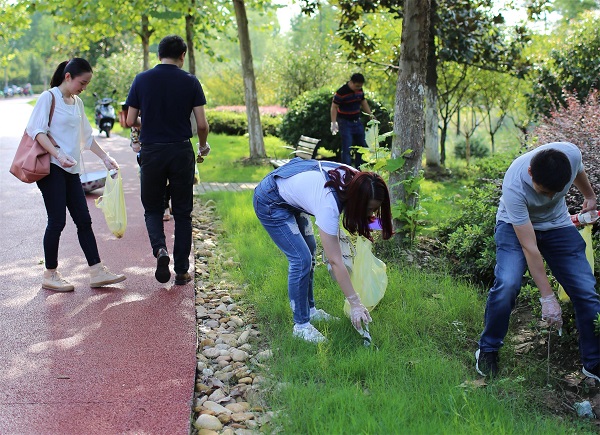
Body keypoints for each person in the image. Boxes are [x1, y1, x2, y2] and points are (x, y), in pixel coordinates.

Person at [475, 142, 600, 382]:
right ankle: (488, 348)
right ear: (531, 173)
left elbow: (579, 170)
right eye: (544, 192)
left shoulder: (571, 154)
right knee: (508, 283)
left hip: (558, 225)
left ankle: (593, 362)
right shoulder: (514, 186)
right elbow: (530, 247)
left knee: (585, 290)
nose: (551, 197)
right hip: (514, 227)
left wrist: (589, 195)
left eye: (556, 192)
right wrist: (547, 298)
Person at [253, 157, 394, 343]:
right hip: (270, 200)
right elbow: (335, 261)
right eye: (369, 209)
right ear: (358, 201)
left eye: (374, 210)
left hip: (290, 192)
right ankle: (301, 326)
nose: (371, 214)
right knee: (301, 259)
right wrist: (355, 303)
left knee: (310, 251)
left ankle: (310, 311)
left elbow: (364, 218)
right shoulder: (329, 204)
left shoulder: (359, 182)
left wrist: (382, 225)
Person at [26, 58, 126, 292]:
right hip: (51, 169)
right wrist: (58, 154)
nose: (84, 88)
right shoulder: (48, 98)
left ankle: (97, 271)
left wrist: (105, 158)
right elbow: (37, 131)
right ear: (68, 76)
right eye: (82, 82)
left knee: (84, 220)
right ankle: (50, 273)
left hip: (71, 170)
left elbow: (87, 137)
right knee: (57, 221)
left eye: (87, 84)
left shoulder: (77, 102)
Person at [126, 35, 210, 286]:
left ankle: (160, 249)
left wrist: (149, 121)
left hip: (152, 152)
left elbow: (130, 121)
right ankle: (182, 270)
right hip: (180, 151)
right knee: (183, 212)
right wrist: (203, 145)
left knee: (153, 208)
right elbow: (202, 124)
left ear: (158, 54)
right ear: (182, 55)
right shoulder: (191, 81)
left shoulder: (141, 79)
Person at [330, 73, 375, 167]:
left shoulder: (359, 90)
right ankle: (347, 169)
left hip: (357, 121)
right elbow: (334, 107)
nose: (358, 88)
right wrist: (333, 122)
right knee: (347, 147)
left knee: (361, 146)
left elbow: (363, 102)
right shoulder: (341, 92)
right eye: (357, 86)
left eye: (360, 86)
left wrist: (371, 115)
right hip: (345, 123)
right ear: (351, 82)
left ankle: (359, 169)